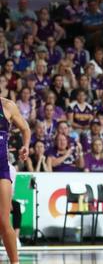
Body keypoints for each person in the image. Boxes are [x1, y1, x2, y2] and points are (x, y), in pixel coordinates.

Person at [0, 97, 31, 264]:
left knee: (4, 221)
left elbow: (26, 129)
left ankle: (15, 262)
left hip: (1, 169)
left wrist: (25, 145)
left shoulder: (7, 106)